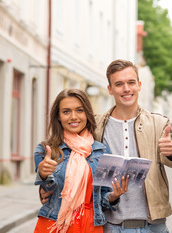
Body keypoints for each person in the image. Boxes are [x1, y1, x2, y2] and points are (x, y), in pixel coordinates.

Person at [94, 59, 172, 233]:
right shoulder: (96, 126)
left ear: (139, 85)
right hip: (111, 226)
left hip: (153, 226)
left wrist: (171, 151)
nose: (126, 89)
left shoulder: (159, 123)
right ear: (110, 89)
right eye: (119, 84)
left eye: (131, 82)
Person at [34, 89, 128, 233]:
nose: (73, 117)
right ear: (58, 116)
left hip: (90, 224)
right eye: (66, 111)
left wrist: (114, 196)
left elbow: (103, 197)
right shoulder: (45, 150)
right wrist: (43, 174)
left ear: (87, 114)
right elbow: (47, 193)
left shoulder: (102, 151)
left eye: (79, 110)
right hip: (55, 222)